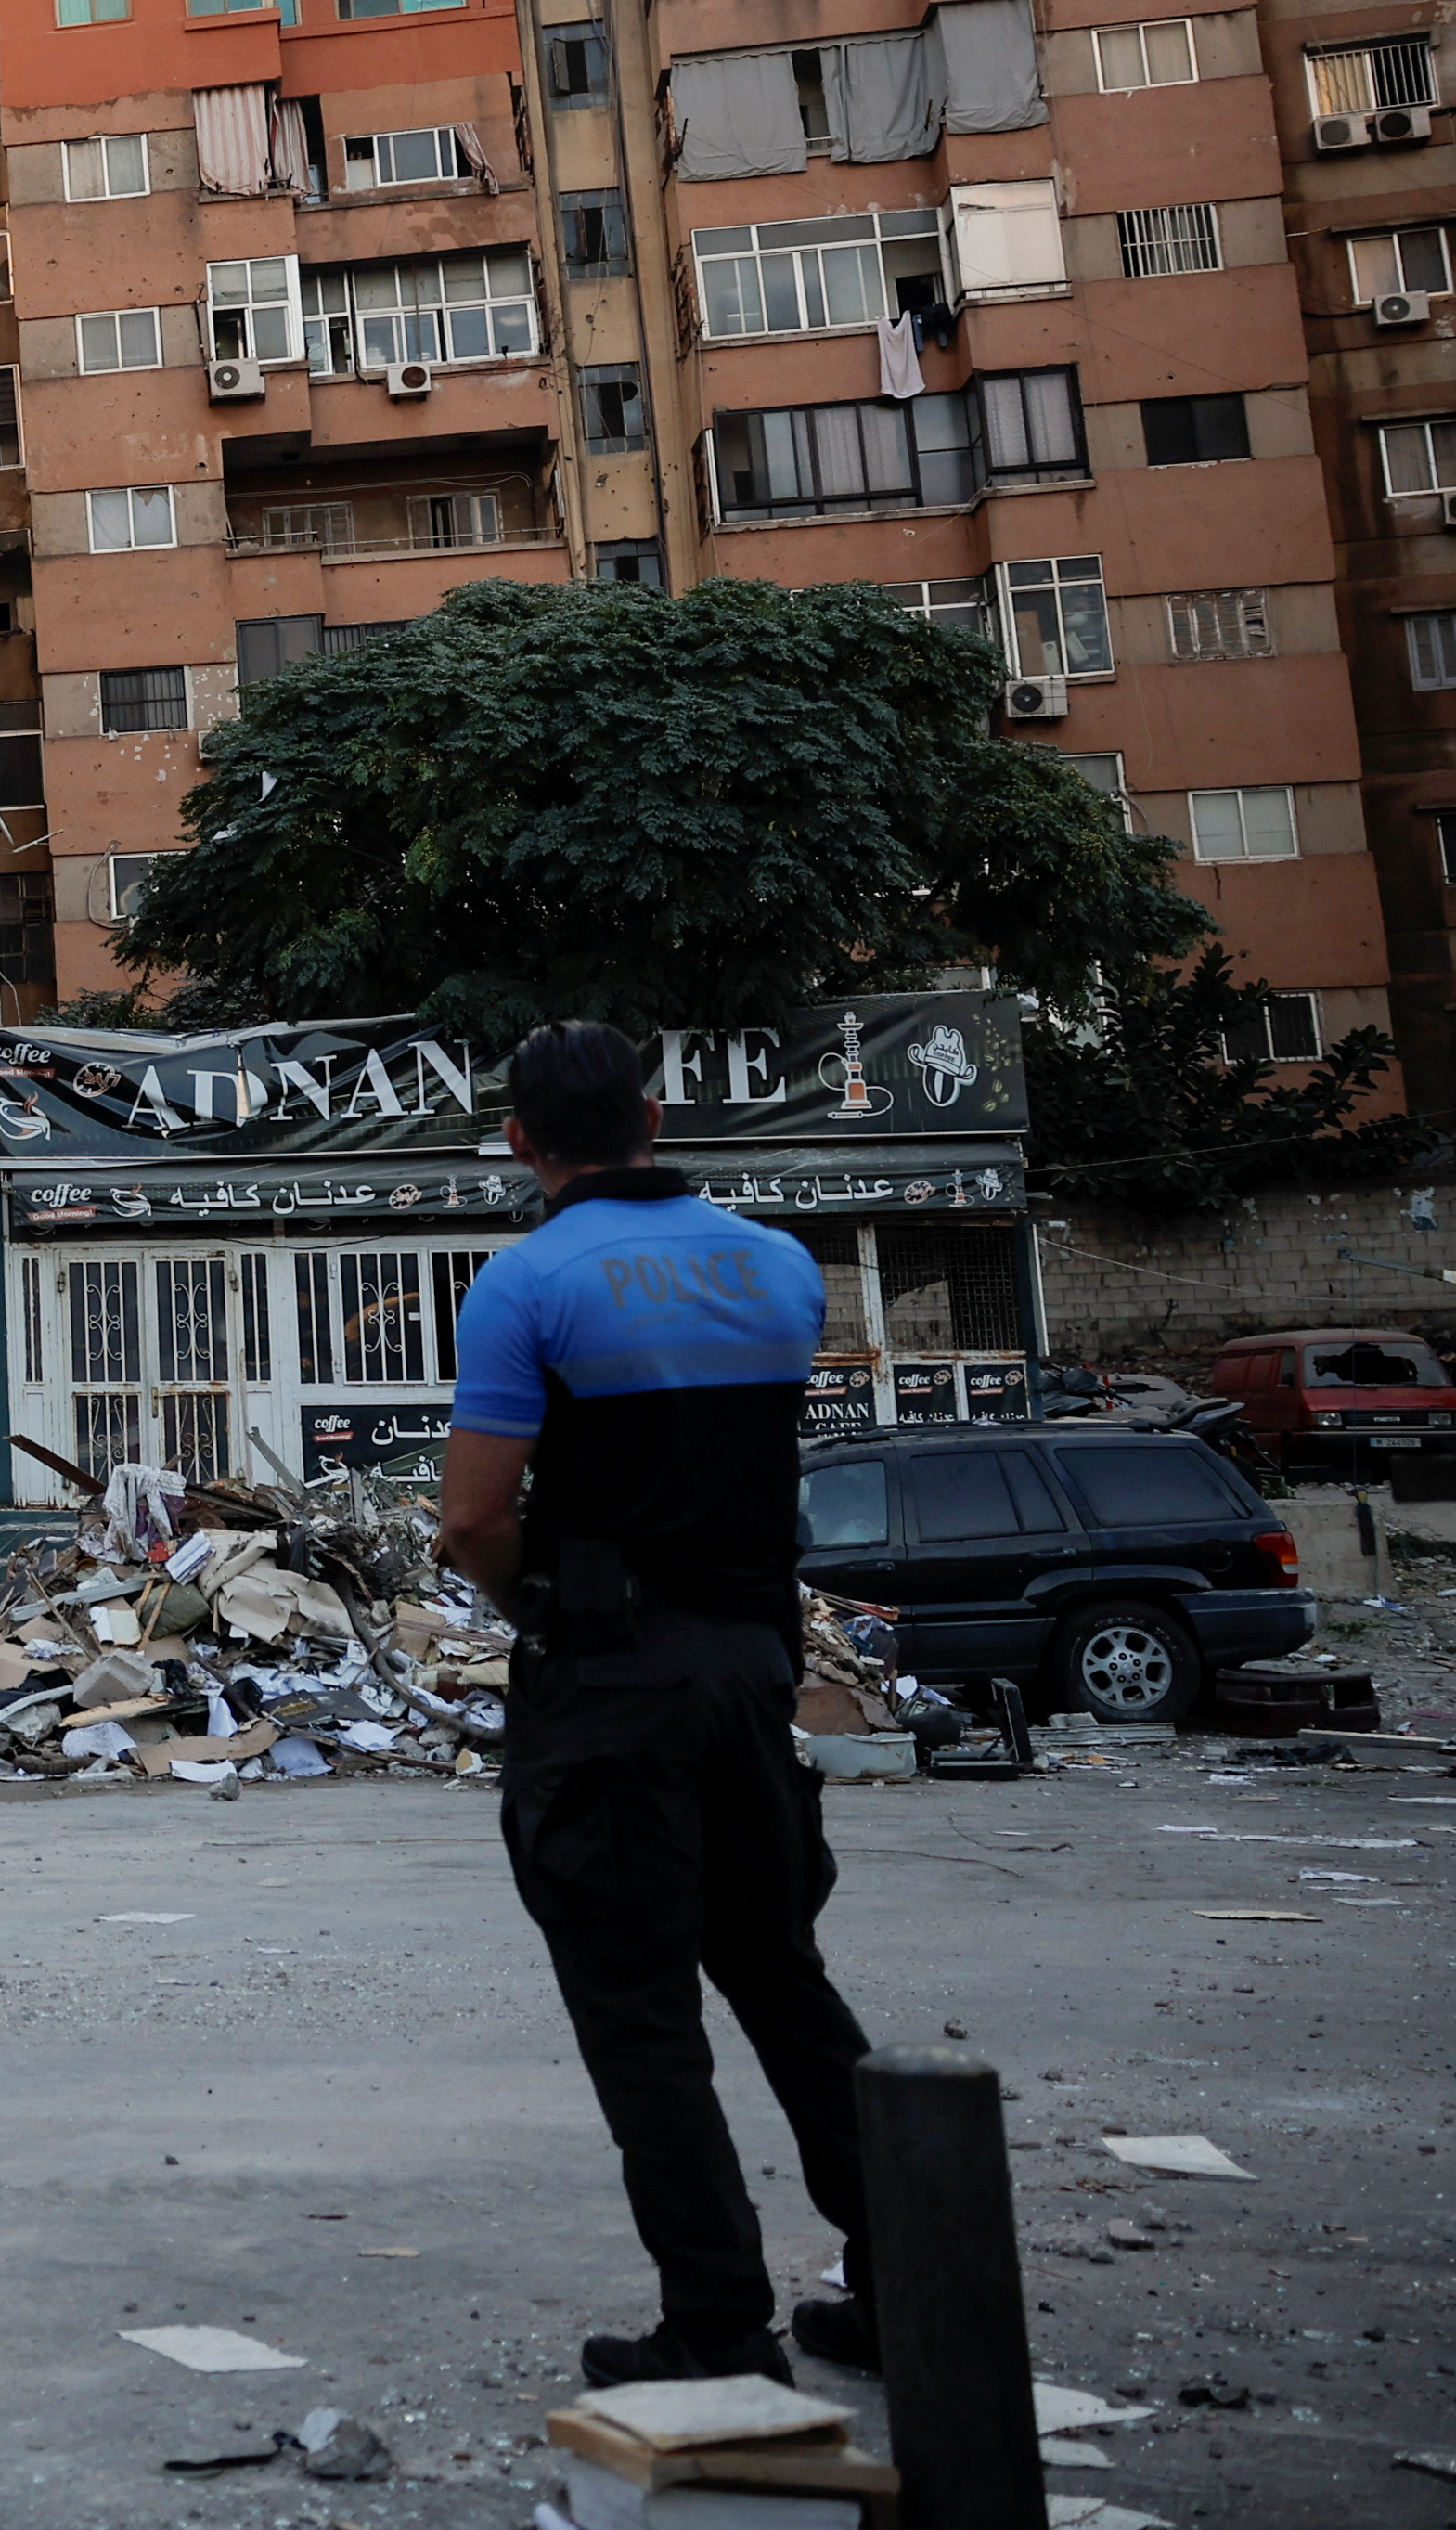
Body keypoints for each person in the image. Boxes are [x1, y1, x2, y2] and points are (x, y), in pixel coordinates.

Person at [442, 1021, 879, 2389]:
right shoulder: (781, 1268)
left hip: (612, 1685)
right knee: (782, 1980)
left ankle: (717, 2328)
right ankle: (919, 2276)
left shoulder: (527, 1285)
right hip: (754, 1669)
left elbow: (472, 1520)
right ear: (655, 1118)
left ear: (522, 1140)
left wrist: (549, 1625)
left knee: (641, 2016)